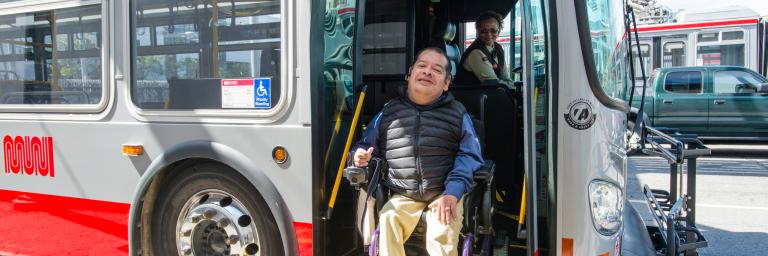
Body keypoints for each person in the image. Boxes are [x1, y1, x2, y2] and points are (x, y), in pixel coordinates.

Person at [351, 47, 484, 256]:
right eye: (422, 66)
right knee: (388, 220)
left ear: (446, 83)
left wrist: (452, 192)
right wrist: (358, 156)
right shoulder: (388, 111)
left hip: (443, 192)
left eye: (437, 70)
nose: (427, 72)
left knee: (442, 232)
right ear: (410, 74)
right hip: (404, 193)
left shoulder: (458, 114)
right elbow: (363, 146)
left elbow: (470, 155)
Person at [454, 11, 513, 86]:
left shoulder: (498, 49)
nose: (488, 34)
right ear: (478, 31)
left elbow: (505, 77)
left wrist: (511, 87)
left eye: (493, 31)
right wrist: (510, 86)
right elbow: (492, 83)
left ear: (499, 31)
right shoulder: (475, 52)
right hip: (471, 95)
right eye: (483, 31)